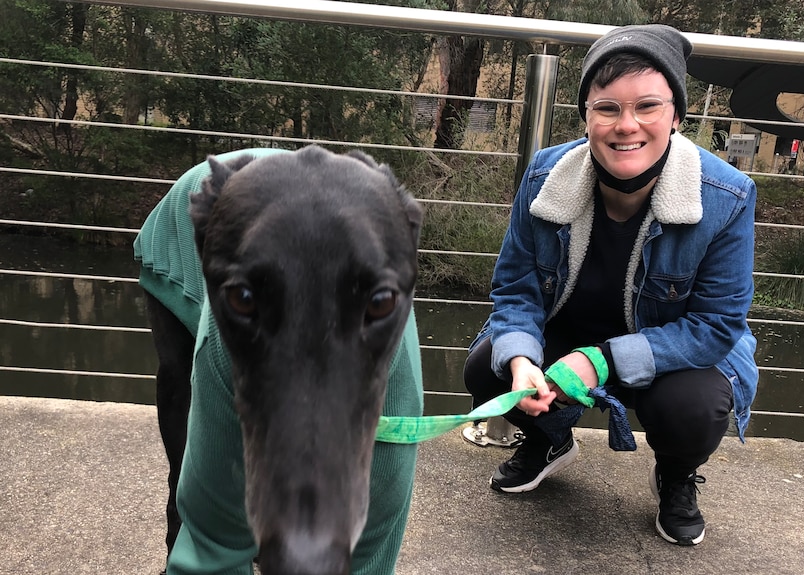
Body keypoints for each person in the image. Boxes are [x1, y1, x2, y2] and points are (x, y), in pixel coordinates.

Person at [463, 24, 758, 547]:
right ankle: (549, 440)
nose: (627, 126)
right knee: (488, 365)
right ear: (585, 117)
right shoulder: (544, 175)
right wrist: (520, 361)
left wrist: (600, 359)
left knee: (695, 408)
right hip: (567, 341)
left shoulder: (727, 196)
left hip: (668, 356)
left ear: (676, 114)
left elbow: (716, 327)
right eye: (607, 108)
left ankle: (676, 473)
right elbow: (516, 288)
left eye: (647, 106)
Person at [134, 148, 423, 574]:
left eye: (378, 303)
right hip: (209, 241)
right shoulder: (218, 333)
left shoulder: (386, 288)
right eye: (244, 300)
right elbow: (213, 538)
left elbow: (371, 557)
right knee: (196, 488)